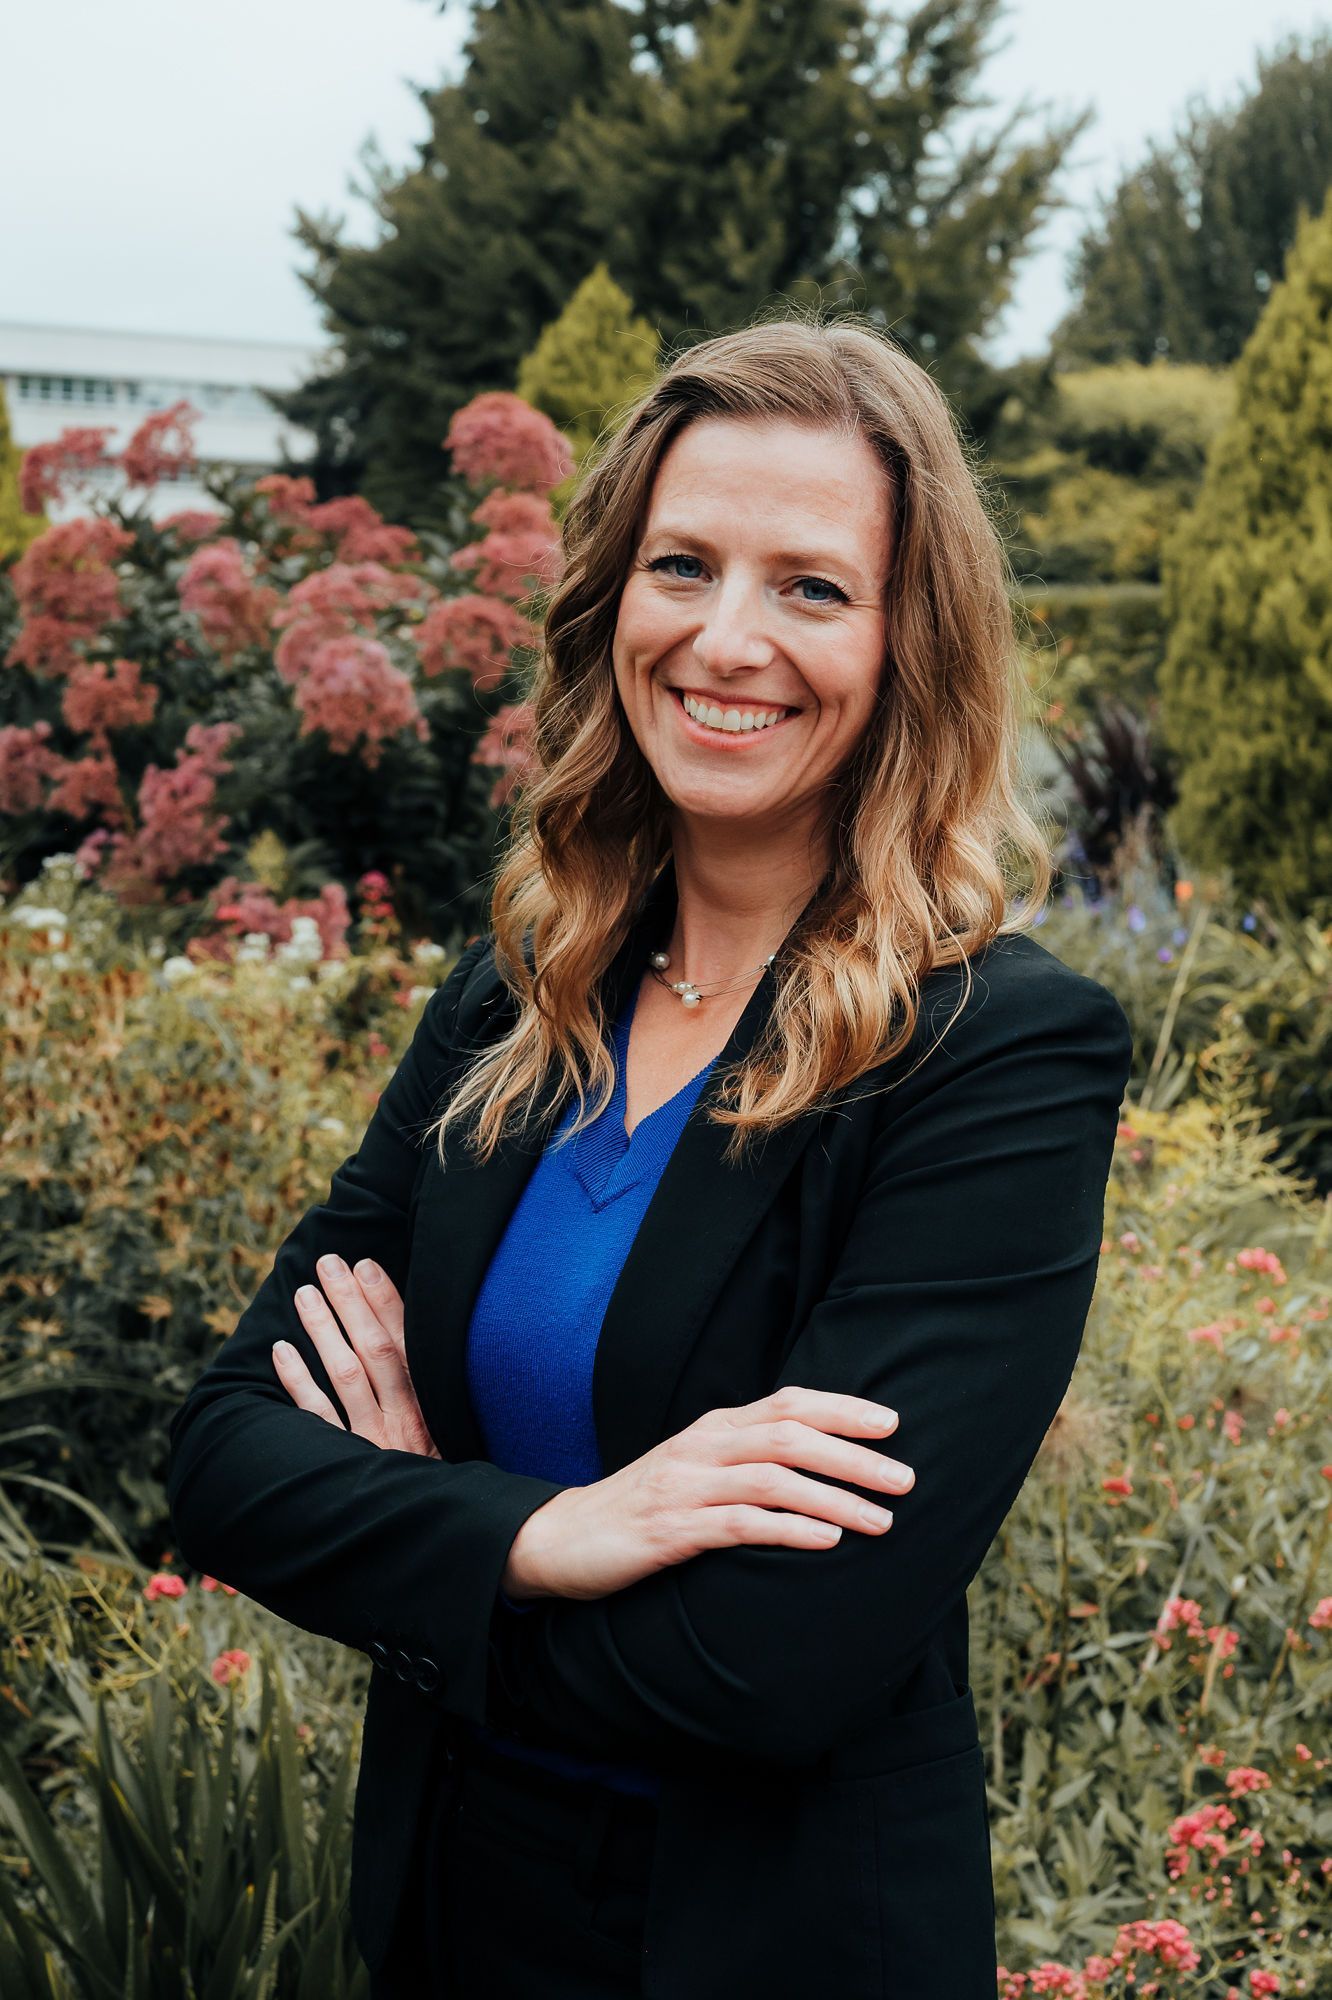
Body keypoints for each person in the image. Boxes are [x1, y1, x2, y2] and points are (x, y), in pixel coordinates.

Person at [165, 312, 1134, 1998]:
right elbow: (226, 1451)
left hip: (761, 1947)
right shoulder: (516, 1003)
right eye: (683, 564)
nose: (728, 638)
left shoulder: (991, 1056)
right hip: (453, 1917)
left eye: (812, 587)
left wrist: (411, 1534)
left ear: (914, 643)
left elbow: (775, 1668)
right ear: (614, 596)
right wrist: (547, 1536)